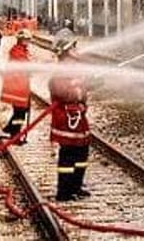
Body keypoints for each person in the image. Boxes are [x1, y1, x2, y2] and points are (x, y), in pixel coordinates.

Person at [48, 38, 91, 201]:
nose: (77, 50)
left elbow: (80, 90)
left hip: (77, 118)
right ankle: (64, 192)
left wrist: (88, 85)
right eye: (73, 48)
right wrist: (79, 88)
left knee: (82, 153)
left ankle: (76, 186)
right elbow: (63, 93)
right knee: (68, 155)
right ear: (66, 52)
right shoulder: (61, 72)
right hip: (67, 120)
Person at [1, 29, 32, 142]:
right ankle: (14, 134)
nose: (28, 41)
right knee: (20, 113)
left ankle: (10, 129)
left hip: (21, 86)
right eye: (26, 39)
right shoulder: (17, 52)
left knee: (20, 112)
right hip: (17, 88)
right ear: (21, 40)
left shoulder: (21, 51)